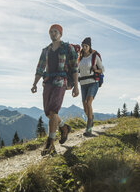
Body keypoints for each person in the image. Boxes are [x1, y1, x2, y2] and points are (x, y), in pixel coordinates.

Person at [31, 24, 79, 155]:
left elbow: (75, 68)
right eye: (51, 32)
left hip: (60, 81)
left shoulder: (68, 48)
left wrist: (76, 85)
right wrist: (35, 83)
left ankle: (50, 144)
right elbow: (40, 68)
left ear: (60, 34)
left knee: (53, 110)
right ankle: (64, 127)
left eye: (55, 31)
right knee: (49, 114)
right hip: (47, 82)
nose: (53, 33)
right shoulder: (45, 50)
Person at [78, 37, 104, 136]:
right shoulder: (79, 57)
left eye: (86, 46)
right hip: (83, 83)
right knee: (84, 105)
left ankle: (89, 127)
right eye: (83, 46)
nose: (84, 48)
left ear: (89, 46)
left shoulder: (94, 56)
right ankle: (91, 117)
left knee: (88, 102)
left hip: (93, 82)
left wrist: (95, 70)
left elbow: (102, 69)